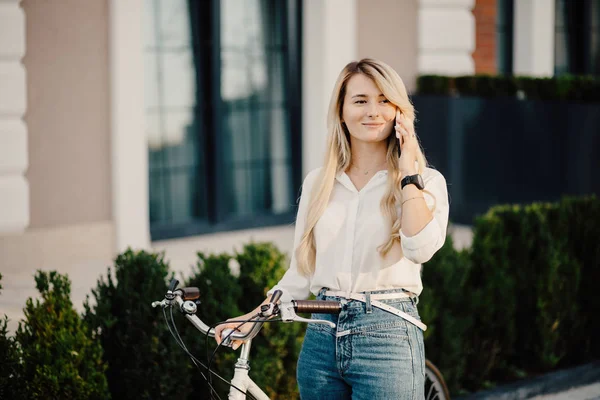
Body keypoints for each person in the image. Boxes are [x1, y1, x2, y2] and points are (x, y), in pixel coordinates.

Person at [215, 58, 449, 400]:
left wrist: (408, 173)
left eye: (385, 100)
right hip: (321, 337)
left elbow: (420, 249)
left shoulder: (426, 182)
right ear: (341, 111)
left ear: (400, 112)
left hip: (387, 334)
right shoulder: (318, 183)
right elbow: (301, 274)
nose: (373, 111)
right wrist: (252, 319)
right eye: (360, 100)